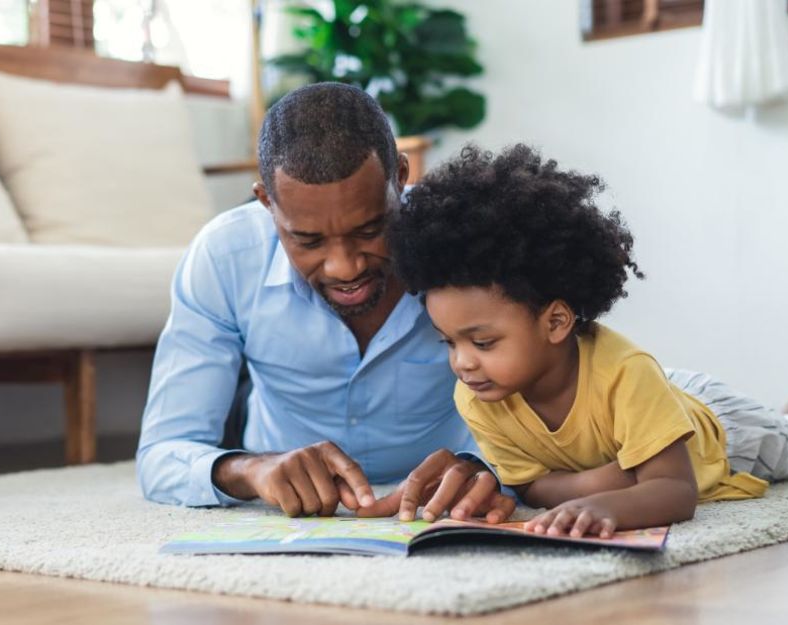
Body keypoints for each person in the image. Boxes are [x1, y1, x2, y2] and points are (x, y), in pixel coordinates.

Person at [136, 83, 515, 523]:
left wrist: (486, 466)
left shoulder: (470, 248)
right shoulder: (224, 257)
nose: (344, 268)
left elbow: (555, 401)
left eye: (370, 230)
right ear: (266, 203)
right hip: (272, 456)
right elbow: (162, 453)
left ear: (401, 178)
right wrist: (252, 469)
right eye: (308, 240)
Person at [388, 143, 788, 538]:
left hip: (726, 431)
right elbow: (532, 487)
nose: (462, 363)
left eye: (482, 343)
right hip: (657, 402)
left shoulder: (624, 372)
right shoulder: (477, 396)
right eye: (448, 343)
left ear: (555, 322)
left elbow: (676, 490)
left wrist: (610, 505)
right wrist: (606, 481)